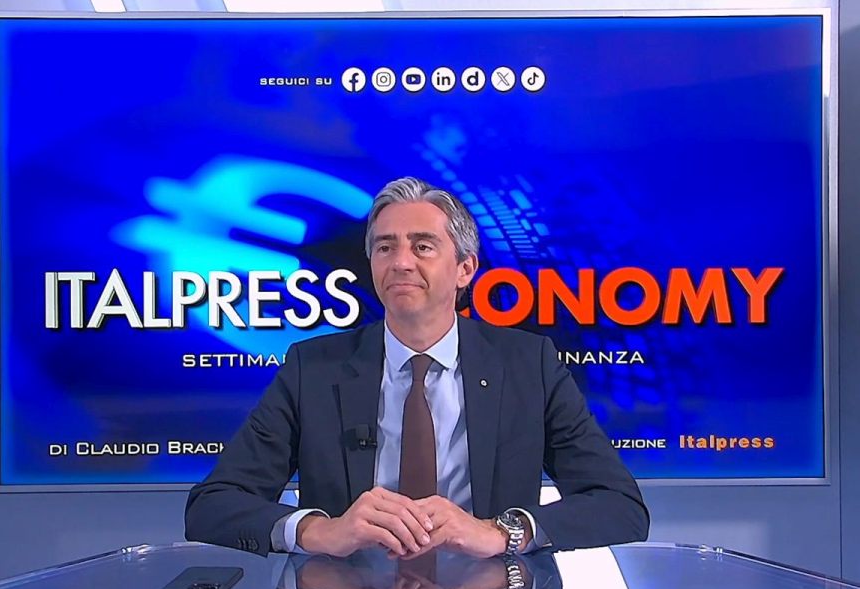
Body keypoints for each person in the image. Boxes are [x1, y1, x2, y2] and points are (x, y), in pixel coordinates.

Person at [185, 176, 649, 561]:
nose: (401, 262)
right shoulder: (314, 369)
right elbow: (212, 506)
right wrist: (319, 531)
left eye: (423, 246)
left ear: (465, 268)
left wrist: (500, 532)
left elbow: (620, 506)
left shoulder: (529, 365)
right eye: (385, 248)